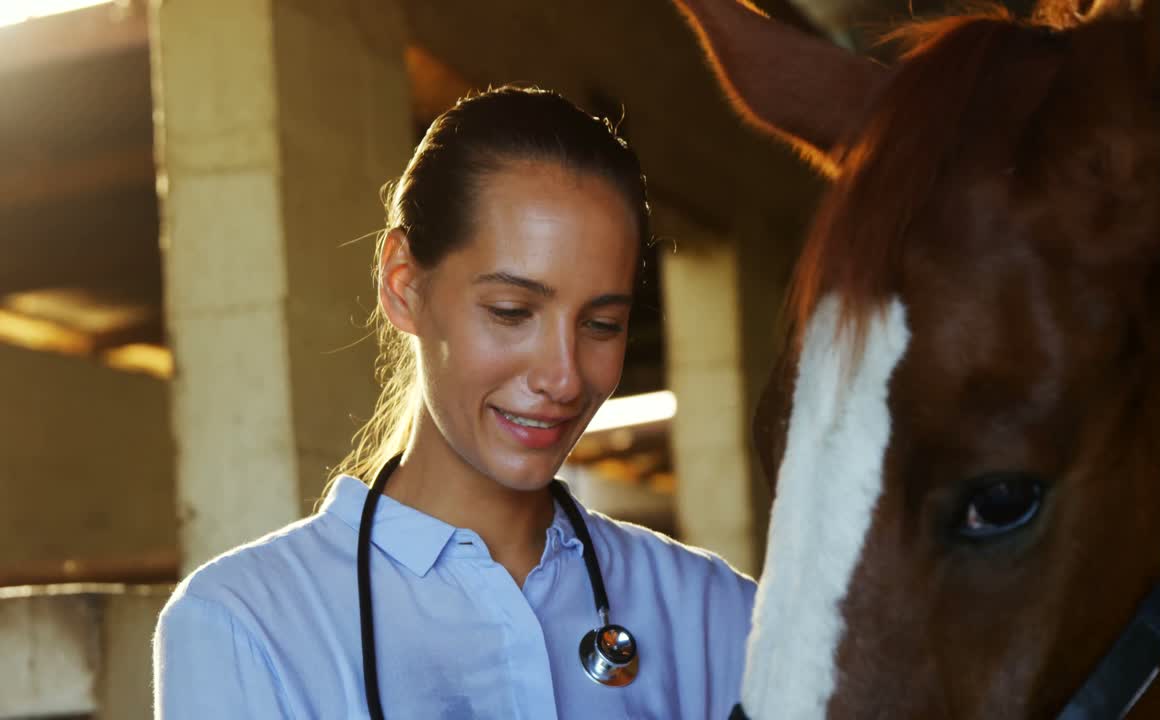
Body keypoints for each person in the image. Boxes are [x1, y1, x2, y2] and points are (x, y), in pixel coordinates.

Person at [152, 85, 757, 719]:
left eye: (602, 324)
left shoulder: (715, 615)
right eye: (511, 312)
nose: (564, 376)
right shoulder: (245, 626)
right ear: (403, 286)